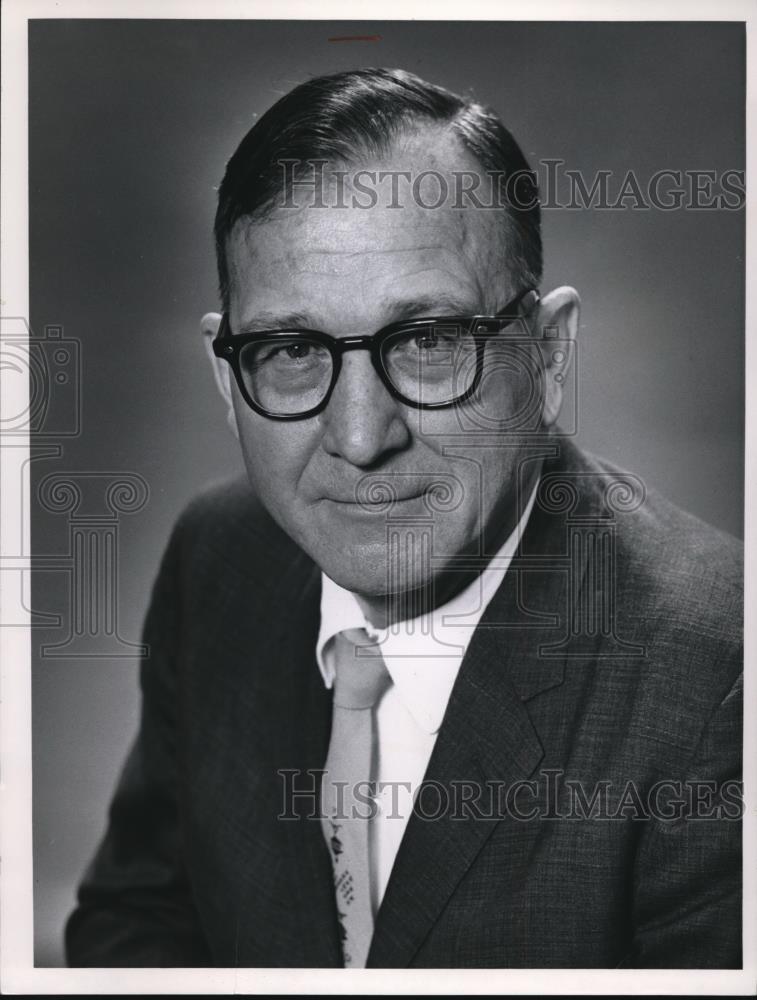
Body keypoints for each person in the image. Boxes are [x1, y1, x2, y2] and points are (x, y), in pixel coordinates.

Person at [64, 68, 742, 969]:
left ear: (547, 357)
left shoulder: (719, 684)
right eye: (292, 349)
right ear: (228, 380)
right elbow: (141, 920)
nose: (359, 437)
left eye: (426, 341)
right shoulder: (219, 556)